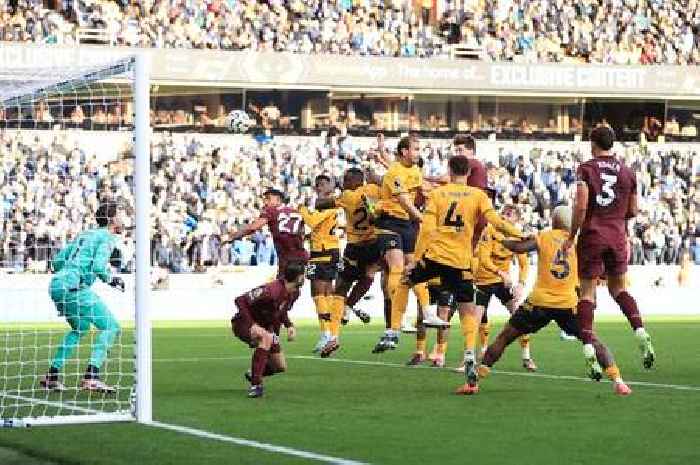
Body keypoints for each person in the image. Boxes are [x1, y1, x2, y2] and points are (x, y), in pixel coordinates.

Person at [479, 206, 632, 396]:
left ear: (553, 221)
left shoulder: (544, 236)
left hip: (539, 302)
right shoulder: (579, 243)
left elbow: (518, 247)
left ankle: (477, 377)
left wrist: (500, 239)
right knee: (592, 339)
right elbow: (596, 271)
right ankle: (618, 381)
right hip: (568, 304)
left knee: (505, 337)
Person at [403, 155, 522, 395]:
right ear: (469, 172)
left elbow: (426, 229)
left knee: (405, 280)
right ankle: (469, 351)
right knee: (468, 310)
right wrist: (518, 234)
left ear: (449, 170)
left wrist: (416, 259)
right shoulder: (479, 196)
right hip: (462, 261)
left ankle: (396, 327)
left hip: (436, 257)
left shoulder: (437, 194)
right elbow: (496, 222)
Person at [565, 126, 655, 372]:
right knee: (618, 289)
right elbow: (634, 211)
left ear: (593, 143)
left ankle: (587, 348)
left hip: (593, 234)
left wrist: (572, 235)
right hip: (617, 235)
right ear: (612, 143)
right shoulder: (628, 172)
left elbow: (581, 207)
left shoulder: (586, 168)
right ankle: (640, 331)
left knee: (586, 292)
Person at [40, 202, 125, 393]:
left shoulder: (85, 235)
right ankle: (91, 377)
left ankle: (52, 375)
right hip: (74, 287)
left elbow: (57, 261)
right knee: (111, 327)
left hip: (57, 285)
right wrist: (113, 280)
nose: (122, 218)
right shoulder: (107, 237)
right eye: (120, 214)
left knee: (80, 328)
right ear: (112, 219)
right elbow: (98, 267)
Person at [372, 136, 435, 353]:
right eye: (416, 149)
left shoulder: (413, 169)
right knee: (397, 268)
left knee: (414, 268)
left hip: (406, 223)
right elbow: (405, 201)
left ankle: (427, 311)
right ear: (404, 151)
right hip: (389, 222)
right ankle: (400, 320)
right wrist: (421, 217)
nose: (419, 152)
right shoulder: (394, 173)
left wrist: (381, 152)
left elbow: (418, 185)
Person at [231, 261, 305, 398]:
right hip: (243, 323)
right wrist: (253, 325)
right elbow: (240, 300)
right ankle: (256, 385)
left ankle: (253, 373)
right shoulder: (271, 290)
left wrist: (289, 325)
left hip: (266, 327)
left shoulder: (294, 293)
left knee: (280, 366)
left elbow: (281, 311)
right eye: (303, 275)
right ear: (299, 278)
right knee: (265, 338)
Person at [473, 204, 534, 371]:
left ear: (517, 220)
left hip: (502, 282)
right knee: (476, 320)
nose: (505, 217)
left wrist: (521, 284)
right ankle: (471, 358)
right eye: (504, 213)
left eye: (510, 215)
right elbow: (484, 260)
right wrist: (501, 273)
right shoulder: (490, 231)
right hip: (485, 280)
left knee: (519, 315)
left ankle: (526, 356)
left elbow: (524, 264)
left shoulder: (517, 238)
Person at [299, 175, 343, 357]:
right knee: (324, 294)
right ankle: (329, 333)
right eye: (318, 184)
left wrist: (300, 209)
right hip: (323, 250)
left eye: (324, 184)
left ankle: (328, 333)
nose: (320, 187)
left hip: (324, 252)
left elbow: (312, 221)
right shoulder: (325, 205)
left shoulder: (330, 205)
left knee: (319, 293)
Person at [227, 188, 308, 278]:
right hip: (301, 255)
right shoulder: (295, 212)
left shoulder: (271, 211)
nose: (266, 202)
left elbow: (252, 228)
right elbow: (303, 233)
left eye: (268, 199)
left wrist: (232, 237)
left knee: (283, 286)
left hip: (286, 257)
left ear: (278, 200)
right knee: (296, 286)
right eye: (265, 199)